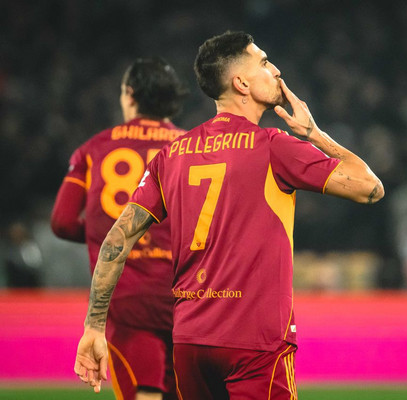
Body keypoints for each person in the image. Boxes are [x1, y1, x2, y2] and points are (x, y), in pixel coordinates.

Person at [74, 31, 384, 399]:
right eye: (264, 62)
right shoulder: (273, 145)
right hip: (255, 344)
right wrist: (314, 133)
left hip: (190, 343)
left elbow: (117, 239)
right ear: (242, 83)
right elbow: (369, 187)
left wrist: (94, 327)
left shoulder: (172, 155)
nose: (276, 70)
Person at [53, 57, 187, 400]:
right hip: (189, 296)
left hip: (129, 297)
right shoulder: (193, 146)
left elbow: (62, 221)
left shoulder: (94, 148)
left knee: (145, 392)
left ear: (129, 94)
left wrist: (104, 235)